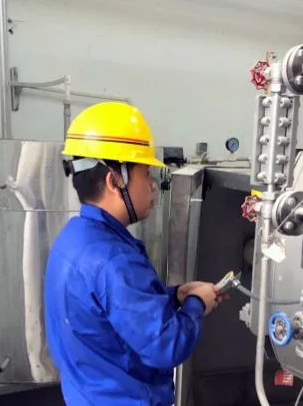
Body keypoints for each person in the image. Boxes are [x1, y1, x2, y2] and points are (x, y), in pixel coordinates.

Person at [45, 102, 222, 406]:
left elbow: (110, 310)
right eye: (146, 173)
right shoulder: (113, 260)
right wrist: (197, 304)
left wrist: (175, 296)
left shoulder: (74, 239)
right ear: (115, 181)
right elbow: (166, 346)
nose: (153, 186)